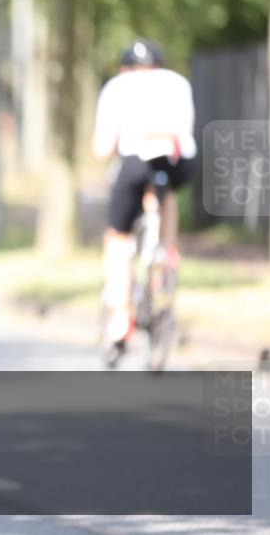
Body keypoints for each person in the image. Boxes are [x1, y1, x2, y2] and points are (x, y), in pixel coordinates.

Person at [92, 39, 196, 346]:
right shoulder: (178, 83)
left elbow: (103, 147)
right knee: (166, 193)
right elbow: (185, 131)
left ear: (125, 67)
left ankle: (121, 315)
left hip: (137, 160)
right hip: (181, 161)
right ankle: (167, 253)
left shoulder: (117, 86)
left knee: (117, 236)